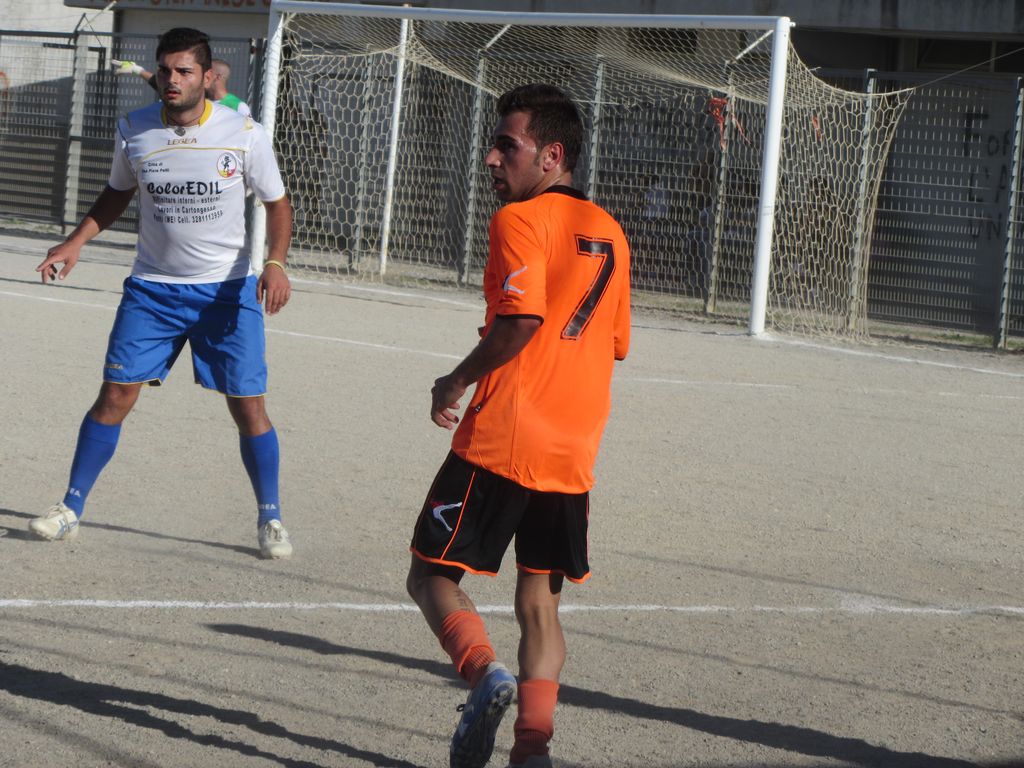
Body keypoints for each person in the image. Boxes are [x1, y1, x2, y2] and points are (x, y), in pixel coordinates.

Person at [406, 84, 631, 768]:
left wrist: (455, 380)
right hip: (573, 448)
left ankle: (484, 674)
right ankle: (532, 749)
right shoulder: (611, 231)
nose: (491, 158)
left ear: (551, 156)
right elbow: (615, 343)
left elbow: (522, 321)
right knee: (540, 602)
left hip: (505, 435)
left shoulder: (519, 220)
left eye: (508, 146)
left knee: (429, 575)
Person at [33, 28, 294, 559]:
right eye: (166, 70)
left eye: (184, 71)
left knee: (248, 407)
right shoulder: (134, 128)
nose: (173, 80)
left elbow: (277, 203)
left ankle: (271, 517)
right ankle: (69, 509)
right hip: (152, 290)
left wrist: (274, 264)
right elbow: (116, 193)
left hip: (225, 292)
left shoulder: (243, 133)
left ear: (207, 76)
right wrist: (75, 241)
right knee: (114, 395)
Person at [113, 56, 252, 117]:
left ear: (217, 77)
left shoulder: (238, 107)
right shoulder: (197, 99)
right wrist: (137, 70)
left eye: (206, 73)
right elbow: (166, 87)